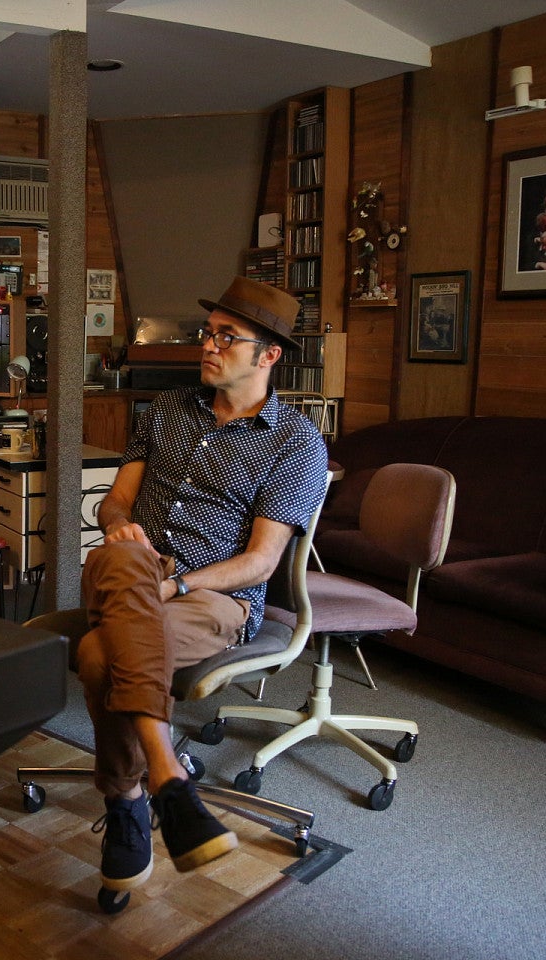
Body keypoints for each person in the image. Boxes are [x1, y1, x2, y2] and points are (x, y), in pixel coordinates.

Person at [81, 275, 329, 895]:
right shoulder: (165, 409)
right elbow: (114, 503)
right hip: (130, 569)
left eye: (227, 337)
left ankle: (129, 799)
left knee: (95, 656)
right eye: (207, 333)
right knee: (122, 562)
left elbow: (260, 564)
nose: (208, 346)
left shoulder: (296, 443)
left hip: (214, 596)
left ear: (268, 355)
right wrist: (120, 528)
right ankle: (168, 774)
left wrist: (180, 584)